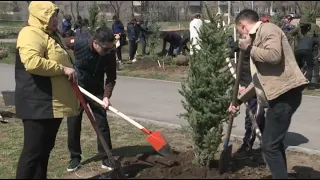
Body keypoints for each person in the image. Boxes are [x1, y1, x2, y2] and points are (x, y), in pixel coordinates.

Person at [229, 9, 308, 179]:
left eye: (239, 31)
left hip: (285, 94)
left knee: (269, 146)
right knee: (274, 144)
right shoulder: (258, 39)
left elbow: (274, 56)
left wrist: (249, 48)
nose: (240, 36)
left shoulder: (268, 29)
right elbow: (258, 80)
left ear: (243, 26)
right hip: (279, 96)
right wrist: (237, 101)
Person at [15, 1, 79, 179]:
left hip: (52, 104)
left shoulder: (51, 34)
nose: (56, 19)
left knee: (44, 152)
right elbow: (32, 62)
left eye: (55, 16)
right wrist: (63, 69)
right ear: (40, 16)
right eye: (52, 16)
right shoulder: (30, 33)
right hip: (37, 103)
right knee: (32, 153)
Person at [66, 26, 117, 172]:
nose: (108, 52)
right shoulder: (78, 42)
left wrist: (106, 97)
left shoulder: (109, 54)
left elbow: (111, 78)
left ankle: (106, 156)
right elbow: (59, 44)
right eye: (105, 49)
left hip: (96, 89)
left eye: (110, 48)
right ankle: (75, 157)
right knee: (73, 122)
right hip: (78, 87)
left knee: (102, 122)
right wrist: (65, 67)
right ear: (95, 43)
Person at [227, 35, 265, 159]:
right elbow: (229, 50)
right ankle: (266, 142)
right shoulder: (241, 44)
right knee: (258, 117)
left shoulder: (258, 46)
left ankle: (247, 145)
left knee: (253, 117)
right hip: (243, 84)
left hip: (253, 87)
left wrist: (246, 86)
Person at [290, 14, 320, 84]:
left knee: (314, 63)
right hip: (302, 47)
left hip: (313, 47)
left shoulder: (314, 27)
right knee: (299, 64)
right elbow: (291, 33)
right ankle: (299, 80)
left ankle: (315, 79)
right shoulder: (299, 28)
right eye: (302, 26)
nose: (303, 28)